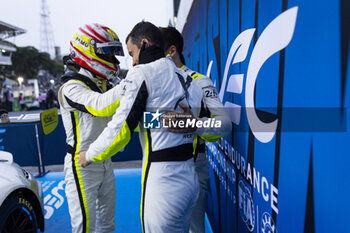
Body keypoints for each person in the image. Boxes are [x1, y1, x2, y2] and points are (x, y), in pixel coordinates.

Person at [79, 21, 204, 233]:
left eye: (132, 53)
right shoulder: (189, 78)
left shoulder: (141, 74)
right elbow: (218, 127)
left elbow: (121, 129)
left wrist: (89, 155)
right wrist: (190, 123)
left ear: (144, 44)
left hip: (164, 183)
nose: (133, 62)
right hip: (191, 180)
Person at [160, 26, 232, 233]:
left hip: (192, 166)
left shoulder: (201, 82)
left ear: (172, 51)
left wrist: (192, 123)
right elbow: (142, 124)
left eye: (157, 52)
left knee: (194, 228)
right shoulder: (152, 83)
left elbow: (224, 125)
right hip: (160, 168)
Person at [58, 23, 124, 233]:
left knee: (107, 225)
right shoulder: (70, 87)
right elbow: (100, 106)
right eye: (107, 52)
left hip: (104, 159)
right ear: (87, 50)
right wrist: (131, 82)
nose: (113, 59)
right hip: (81, 165)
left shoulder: (107, 84)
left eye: (114, 52)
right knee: (84, 227)